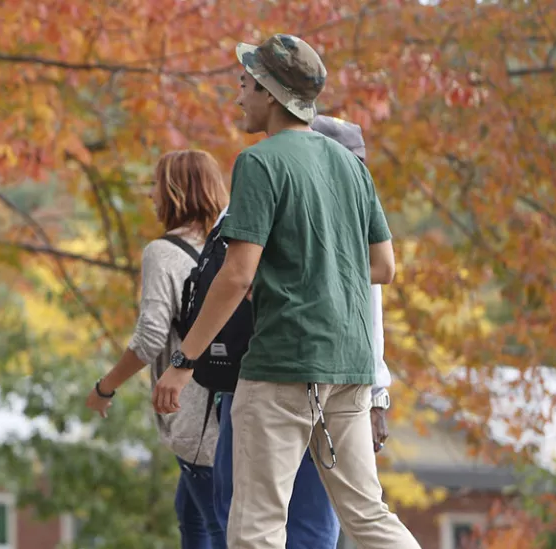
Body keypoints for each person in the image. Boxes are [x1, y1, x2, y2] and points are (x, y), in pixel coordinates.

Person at [150, 33, 421, 549]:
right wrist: (319, 272)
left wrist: (183, 363)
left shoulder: (260, 162)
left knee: (256, 525)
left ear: (270, 94)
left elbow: (237, 275)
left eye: (245, 86)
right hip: (350, 367)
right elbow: (383, 266)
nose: (239, 98)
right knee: (367, 513)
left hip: (280, 366)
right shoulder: (350, 165)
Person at [206, 114, 398, 549]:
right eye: (349, 160)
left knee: (264, 518)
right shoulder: (313, 207)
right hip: (330, 372)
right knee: (348, 515)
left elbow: (374, 306)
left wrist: (187, 362)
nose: (354, 172)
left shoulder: (270, 187)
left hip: (279, 371)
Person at [86, 150, 229, 549]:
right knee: (191, 515)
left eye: (155, 184)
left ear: (174, 192)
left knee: (217, 527)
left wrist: (104, 388)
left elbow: (149, 338)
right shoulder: (233, 246)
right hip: (231, 405)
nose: (150, 194)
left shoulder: (163, 252)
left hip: (194, 412)